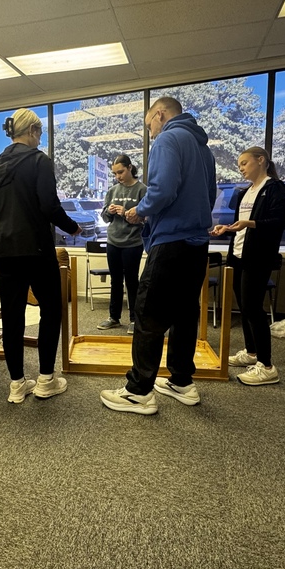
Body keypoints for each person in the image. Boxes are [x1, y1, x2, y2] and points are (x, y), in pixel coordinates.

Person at [100, 97, 216, 416]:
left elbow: (162, 190)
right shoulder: (202, 146)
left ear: (160, 115)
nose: (150, 133)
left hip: (171, 242)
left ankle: (138, 391)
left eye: (149, 124)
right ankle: (181, 381)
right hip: (196, 243)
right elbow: (209, 196)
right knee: (183, 314)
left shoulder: (168, 138)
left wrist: (141, 211)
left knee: (147, 313)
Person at [0, 108, 80, 404]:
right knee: (51, 309)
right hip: (35, 249)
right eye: (39, 133)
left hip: (2, 249)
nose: (40, 139)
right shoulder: (39, 161)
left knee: (12, 316)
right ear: (31, 132)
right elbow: (49, 206)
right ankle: (45, 380)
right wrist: (72, 227)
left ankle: (16, 384)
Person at [210, 147, 285, 386]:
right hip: (238, 255)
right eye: (239, 164)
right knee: (244, 307)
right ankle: (251, 352)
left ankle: (267, 366)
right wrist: (227, 228)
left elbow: (278, 223)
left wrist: (250, 222)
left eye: (244, 163)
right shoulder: (246, 192)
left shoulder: (275, 189)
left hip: (258, 257)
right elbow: (242, 224)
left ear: (261, 160)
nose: (241, 168)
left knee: (253, 308)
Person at [97, 154, 146, 334]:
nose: (118, 176)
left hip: (133, 242)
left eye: (121, 172)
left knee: (132, 281)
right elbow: (104, 218)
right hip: (113, 241)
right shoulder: (112, 191)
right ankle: (114, 317)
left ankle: (134, 319)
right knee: (115, 280)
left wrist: (126, 212)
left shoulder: (142, 190)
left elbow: (147, 220)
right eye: (115, 173)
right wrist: (109, 211)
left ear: (130, 168)